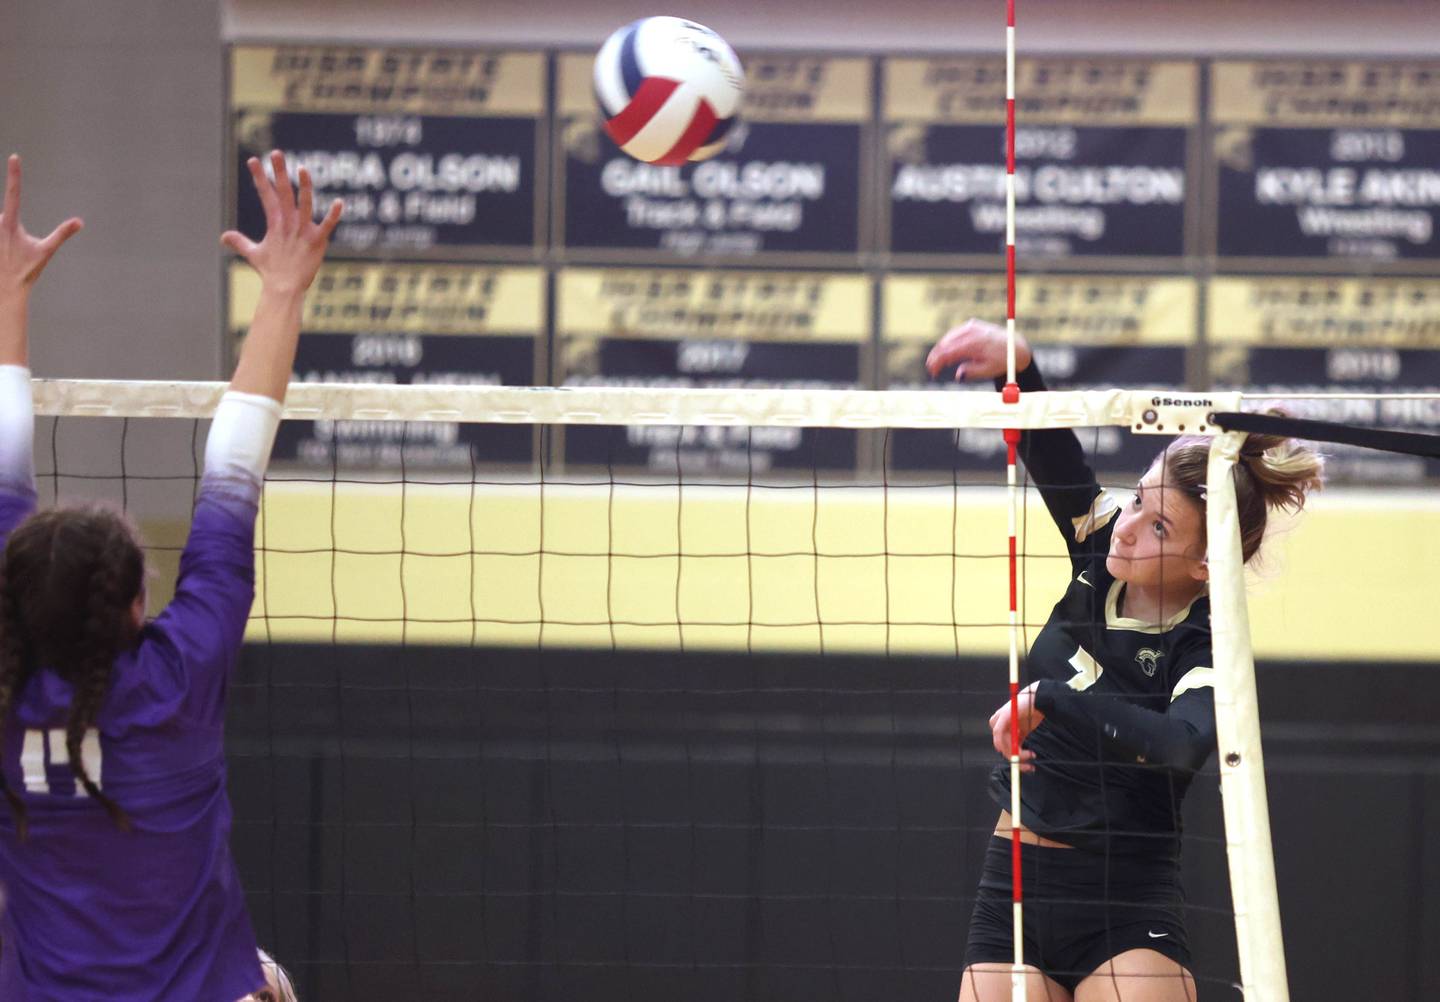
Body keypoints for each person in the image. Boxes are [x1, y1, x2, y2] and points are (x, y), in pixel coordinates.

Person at [0, 151, 340, 1000]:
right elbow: (236, 462)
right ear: (135, 607)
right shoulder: (178, 679)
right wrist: (284, 291)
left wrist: (8, 296)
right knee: (267, 987)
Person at [926, 320, 1323, 1002]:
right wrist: (1017, 365)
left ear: (1206, 562)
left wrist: (1052, 697)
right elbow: (1056, 457)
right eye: (1139, 498)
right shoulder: (1101, 547)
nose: (1131, 526)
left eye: (1159, 525)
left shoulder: (1202, 644)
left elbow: (1179, 746)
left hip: (1127, 908)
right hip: (1015, 889)